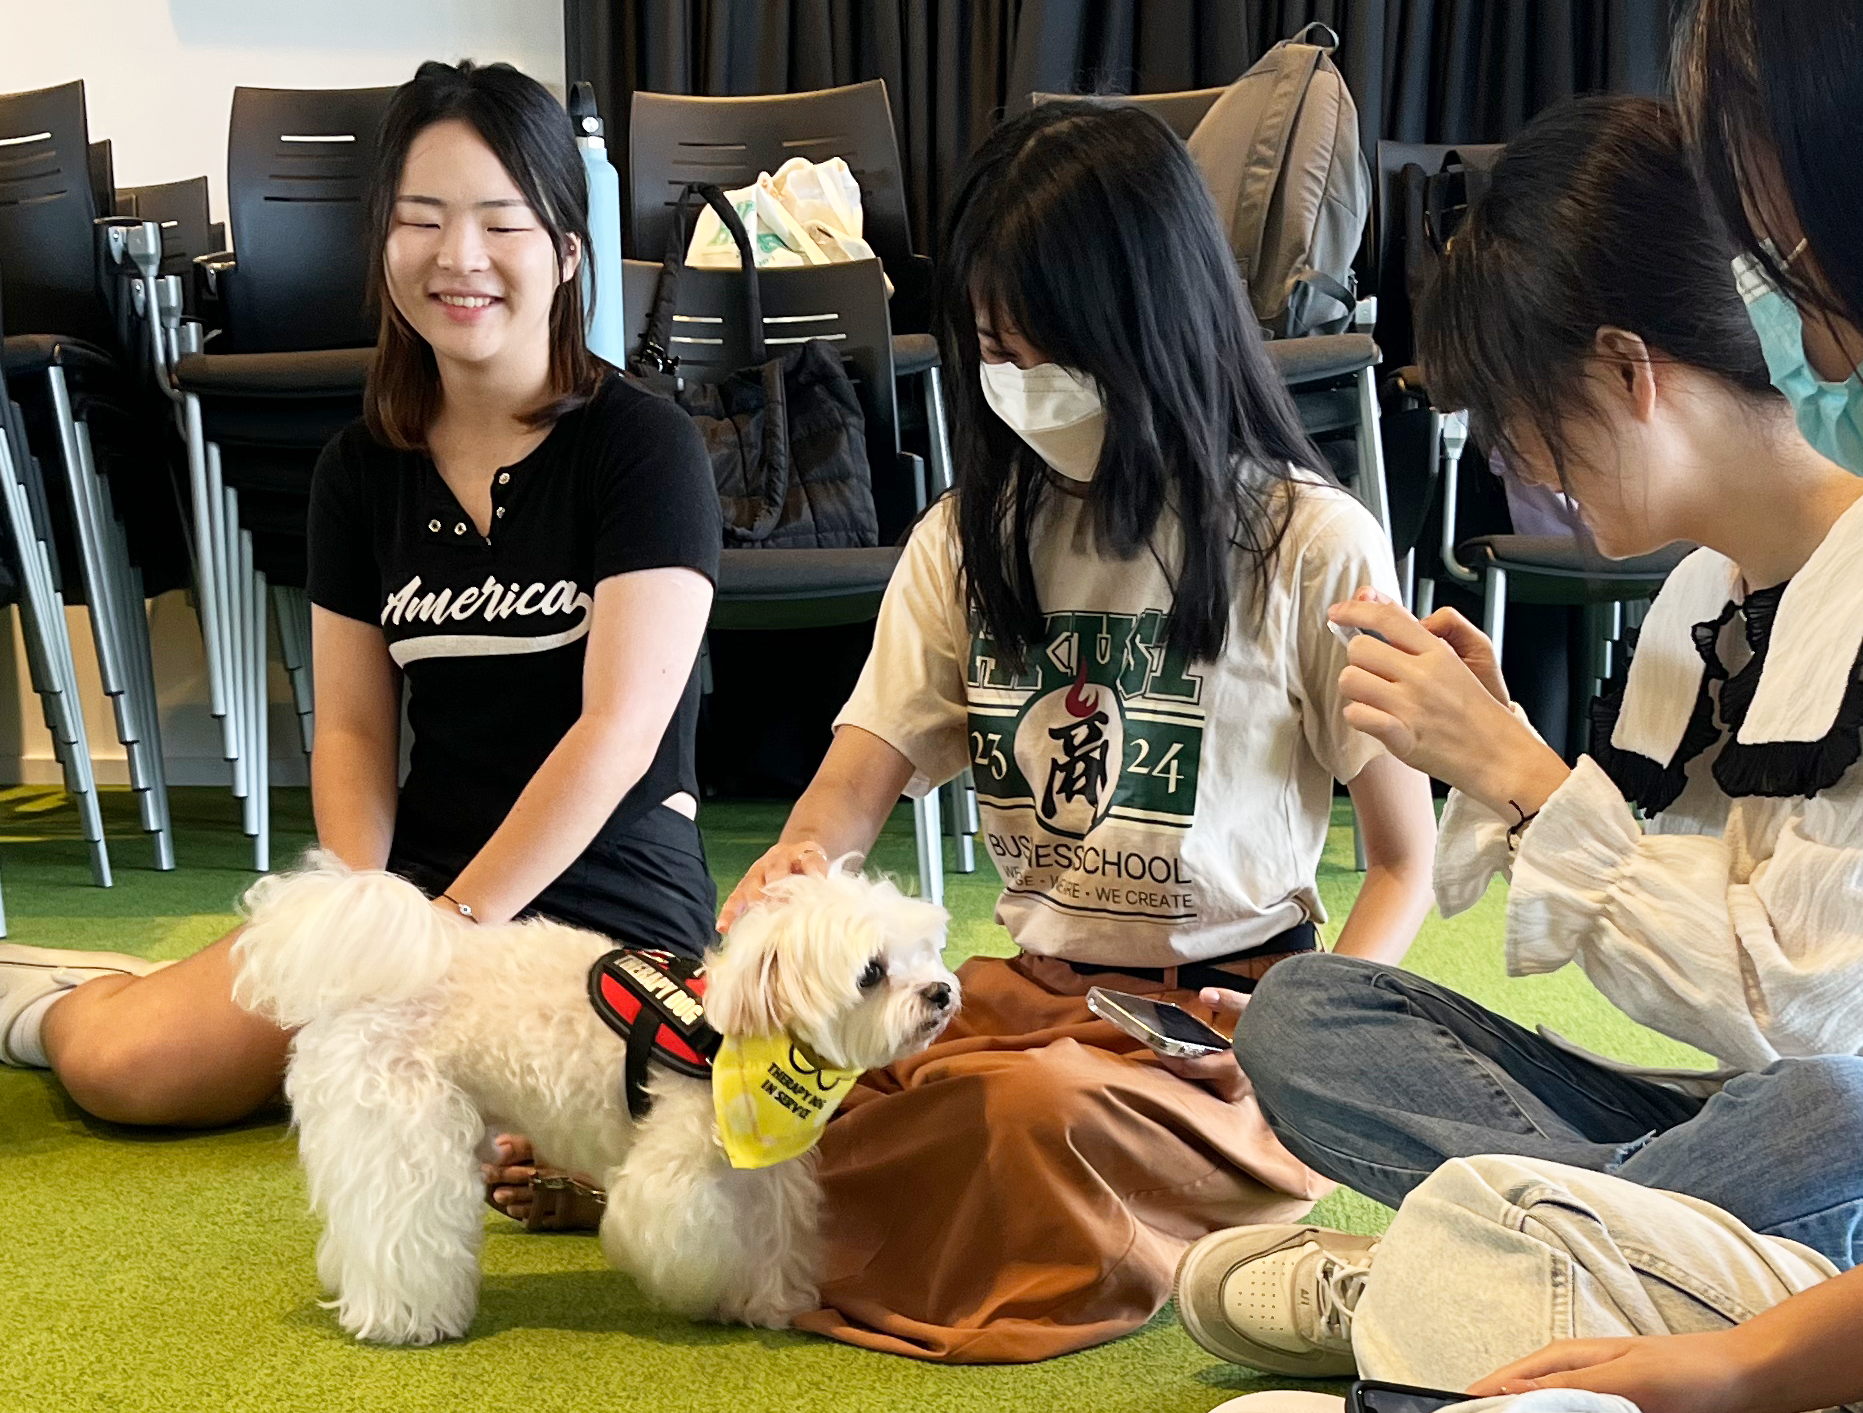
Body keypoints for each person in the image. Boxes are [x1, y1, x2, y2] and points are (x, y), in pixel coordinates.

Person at [706, 100, 1437, 1364]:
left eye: (1053, 348)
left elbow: (1403, 863)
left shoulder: (1311, 544)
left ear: (1156, 325)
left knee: (1019, 1117)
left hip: (1222, 1028)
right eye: (996, 345)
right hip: (1028, 1000)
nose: (1020, 380)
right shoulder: (966, 538)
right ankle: (717, 1182)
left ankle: (732, 1212)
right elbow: (846, 795)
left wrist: (1291, 1048)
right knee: (793, 1071)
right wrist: (792, 875)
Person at [1169, 85, 1863, 1390]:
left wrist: (1522, 777)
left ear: (1626, 369)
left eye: (1525, 418)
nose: (1522, 466)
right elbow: (1663, 948)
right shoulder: (1697, 599)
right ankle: (1569, 1271)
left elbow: (1802, 1016)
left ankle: (1451, 1283)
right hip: (1736, 1137)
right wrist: (1498, 754)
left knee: (1836, 1105)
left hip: (1822, 1122)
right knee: (1304, 1012)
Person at [0, 60, 721, 1136]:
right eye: (421, 219)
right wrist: (362, 915)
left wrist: (458, 927)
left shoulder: (645, 445)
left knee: (553, 1129)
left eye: (501, 223)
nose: (458, 256)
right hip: (417, 888)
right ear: (384, 242)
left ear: (568, 253)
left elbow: (618, 731)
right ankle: (55, 993)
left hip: (609, 885)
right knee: (126, 1067)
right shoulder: (358, 467)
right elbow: (349, 729)